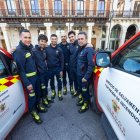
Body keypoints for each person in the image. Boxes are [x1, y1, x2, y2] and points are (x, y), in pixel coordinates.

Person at [13, 29, 47, 124]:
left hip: (36, 77)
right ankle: (33, 112)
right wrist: (27, 83)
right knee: (32, 97)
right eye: (25, 37)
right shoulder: (19, 51)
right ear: (20, 38)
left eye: (29, 37)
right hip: (29, 80)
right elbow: (21, 70)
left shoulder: (30, 48)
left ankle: (38, 106)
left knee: (38, 94)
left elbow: (40, 48)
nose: (28, 39)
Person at [32, 34, 53, 108]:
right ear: (38, 41)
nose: (43, 43)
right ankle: (43, 101)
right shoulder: (33, 51)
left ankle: (45, 97)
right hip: (39, 74)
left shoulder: (44, 50)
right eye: (41, 41)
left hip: (45, 72)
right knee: (42, 88)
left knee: (45, 87)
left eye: (44, 42)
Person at [77, 31, 95, 113]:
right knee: (82, 90)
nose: (80, 40)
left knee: (85, 91)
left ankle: (86, 104)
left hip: (84, 77)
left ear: (86, 39)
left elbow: (91, 65)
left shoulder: (89, 49)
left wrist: (86, 77)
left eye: (82, 39)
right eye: (79, 39)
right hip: (80, 75)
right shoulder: (82, 48)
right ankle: (84, 100)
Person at [46, 34, 64, 100]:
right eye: (52, 39)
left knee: (59, 81)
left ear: (57, 40)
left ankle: (59, 93)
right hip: (50, 69)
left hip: (58, 68)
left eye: (55, 39)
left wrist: (61, 70)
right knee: (51, 82)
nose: (54, 40)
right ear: (50, 39)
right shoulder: (47, 48)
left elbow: (62, 60)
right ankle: (53, 92)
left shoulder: (59, 49)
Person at [68, 31, 79, 97]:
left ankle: (80, 94)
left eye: (72, 36)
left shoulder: (80, 43)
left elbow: (87, 45)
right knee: (74, 80)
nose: (71, 38)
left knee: (79, 81)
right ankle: (77, 91)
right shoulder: (70, 45)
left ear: (75, 36)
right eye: (69, 37)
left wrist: (89, 45)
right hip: (72, 67)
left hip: (78, 67)